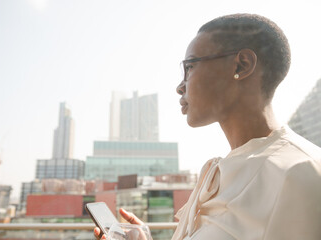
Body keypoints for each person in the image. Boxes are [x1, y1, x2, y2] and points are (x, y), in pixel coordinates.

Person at [94, 13, 321, 240]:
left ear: (242, 65)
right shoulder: (220, 174)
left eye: (190, 66)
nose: (180, 87)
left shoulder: (299, 173)